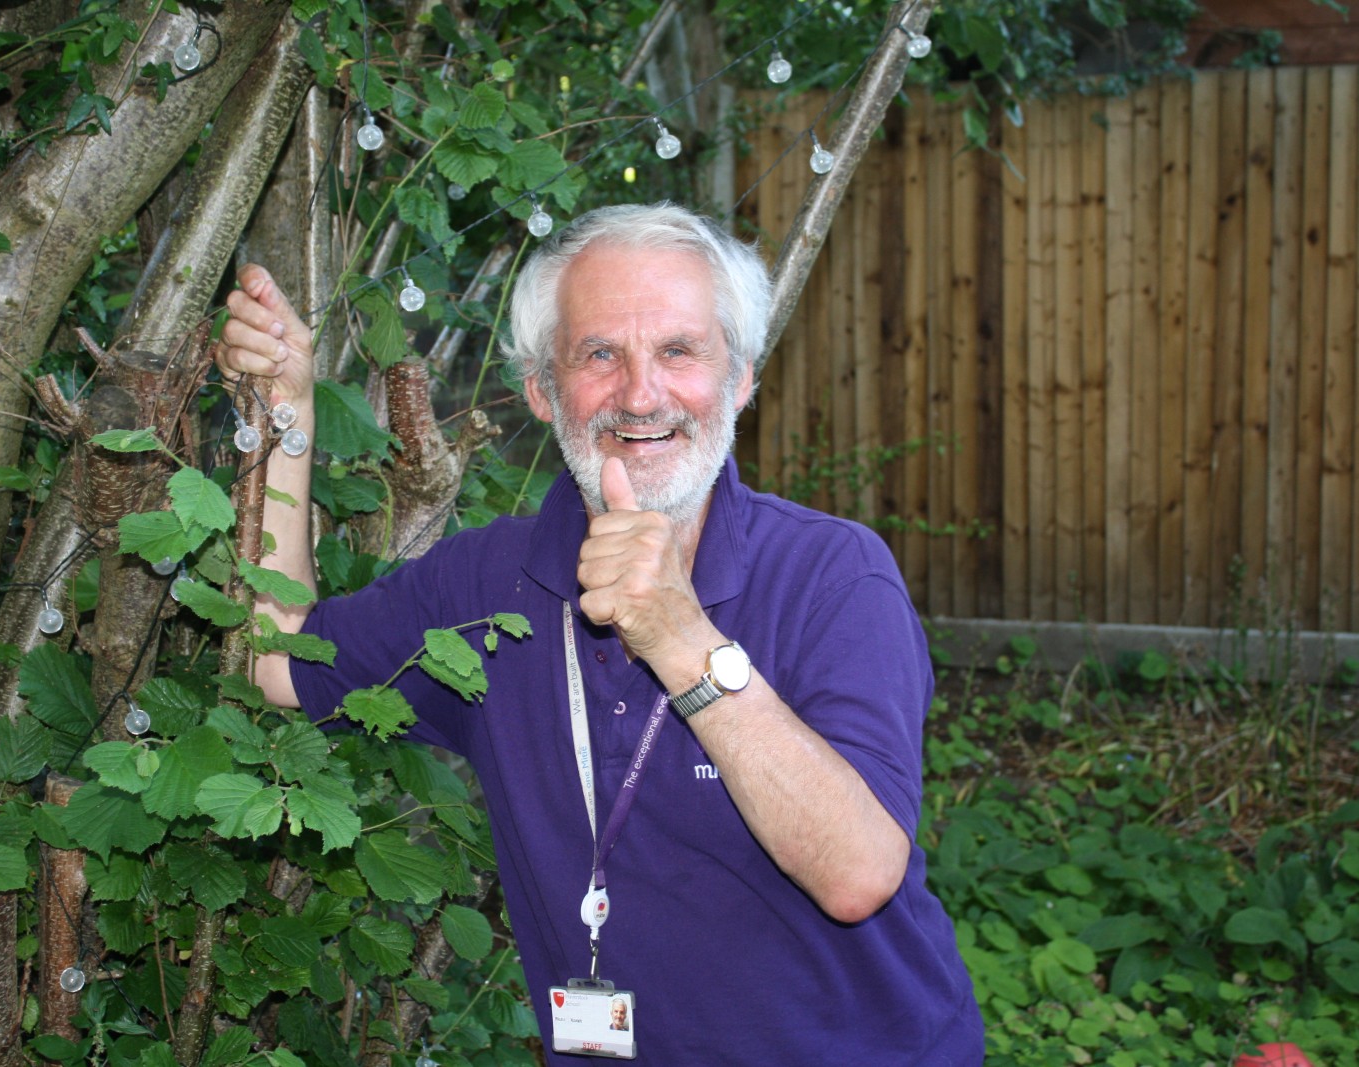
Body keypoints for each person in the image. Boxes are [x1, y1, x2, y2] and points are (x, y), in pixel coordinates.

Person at [215, 202, 984, 1065]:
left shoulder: (835, 577)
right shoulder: (486, 585)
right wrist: (287, 422)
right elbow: (274, 658)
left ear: (741, 381)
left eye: (679, 350)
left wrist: (682, 637)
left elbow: (857, 875)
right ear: (543, 390)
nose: (642, 393)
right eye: (599, 354)